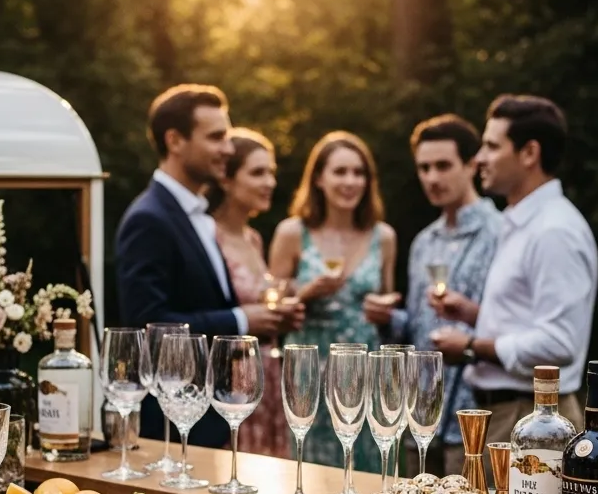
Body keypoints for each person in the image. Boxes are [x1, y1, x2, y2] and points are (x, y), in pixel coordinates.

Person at [116, 85, 291, 448]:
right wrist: (242, 321)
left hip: (212, 421)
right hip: (175, 425)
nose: (228, 148)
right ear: (175, 140)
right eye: (216, 137)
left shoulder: (197, 215)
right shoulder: (149, 219)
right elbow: (149, 326)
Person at [429, 94, 597, 444]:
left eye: (491, 146)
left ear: (529, 153)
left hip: (533, 418)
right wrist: (474, 313)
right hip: (510, 413)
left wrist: (473, 346)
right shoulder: (521, 222)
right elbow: (528, 320)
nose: (479, 159)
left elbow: (559, 341)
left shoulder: (555, 230)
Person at [363, 114, 500, 475]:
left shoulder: (500, 233)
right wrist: (388, 318)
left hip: (474, 416)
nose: (432, 178)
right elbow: (416, 327)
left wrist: (470, 316)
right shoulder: (425, 241)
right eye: (424, 167)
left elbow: (514, 322)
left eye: (443, 165)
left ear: (471, 165)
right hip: (419, 414)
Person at [270, 131, 396, 471]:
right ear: (319, 179)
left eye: (359, 173)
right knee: (309, 472)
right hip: (308, 374)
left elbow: (389, 303)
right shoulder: (292, 233)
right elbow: (272, 310)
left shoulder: (383, 237)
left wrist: (385, 310)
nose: (350, 181)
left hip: (365, 375)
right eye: (340, 172)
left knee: (368, 473)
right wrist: (306, 293)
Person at [209, 128, 301, 458]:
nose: (270, 183)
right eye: (258, 172)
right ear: (227, 180)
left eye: (272, 173)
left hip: (269, 376)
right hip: (235, 380)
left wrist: (286, 308)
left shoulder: (253, 238)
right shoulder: (210, 237)